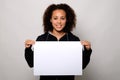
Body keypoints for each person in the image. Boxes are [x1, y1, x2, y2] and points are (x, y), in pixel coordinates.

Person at [24, 3, 92, 80]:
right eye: (55, 18)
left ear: (67, 20)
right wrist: (28, 49)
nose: (59, 22)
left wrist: (87, 50)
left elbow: (81, 66)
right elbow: (31, 63)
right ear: (50, 19)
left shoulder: (74, 40)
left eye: (62, 18)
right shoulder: (42, 39)